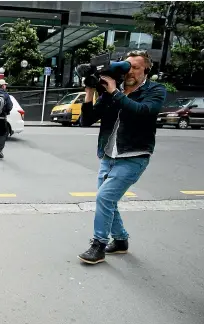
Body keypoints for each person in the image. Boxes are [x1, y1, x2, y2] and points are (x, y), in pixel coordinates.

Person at [77, 50, 167, 265]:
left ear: (146, 69)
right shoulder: (111, 91)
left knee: (105, 198)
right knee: (109, 201)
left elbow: (143, 111)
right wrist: (90, 90)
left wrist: (115, 93)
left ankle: (98, 245)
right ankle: (120, 241)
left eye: (135, 67)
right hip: (108, 155)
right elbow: (86, 120)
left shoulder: (155, 90)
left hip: (134, 155)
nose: (130, 71)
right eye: (127, 66)